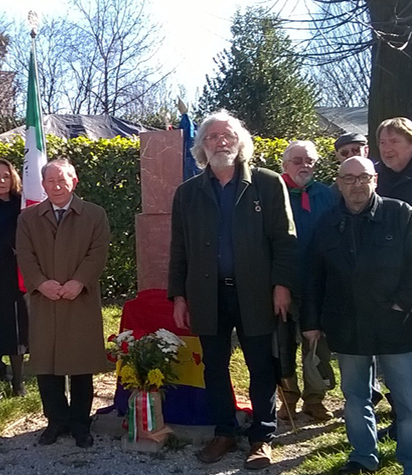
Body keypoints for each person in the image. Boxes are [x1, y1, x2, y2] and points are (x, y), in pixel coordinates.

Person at [168, 111, 298, 469]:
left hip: (256, 292)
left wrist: (282, 286)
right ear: (201, 147)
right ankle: (224, 432)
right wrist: (178, 294)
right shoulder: (187, 193)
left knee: (261, 365)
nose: (220, 142)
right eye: (211, 137)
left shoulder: (268, 184)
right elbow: (179, 247)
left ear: (240, 142)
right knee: (214, 367)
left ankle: (261, 436)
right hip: (207, 295)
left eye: (227, 136)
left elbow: (285, 241)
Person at [302, 157, 412, 475]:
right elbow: (313, 277)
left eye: (364, 177)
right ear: (338, 183)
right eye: (349, 179)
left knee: (406, 400)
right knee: (355, 396)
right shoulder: (327, 222)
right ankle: (363, 457)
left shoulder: (400, 214)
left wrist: (403, 303)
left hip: (396, 325)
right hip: (347, 324)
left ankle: (409, 460)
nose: (357, 185)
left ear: (375, 179)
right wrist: (310, 322)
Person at [16, 158, 110, 449]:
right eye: (50, 181)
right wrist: (40, 282)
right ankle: (55, 421)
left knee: (81, 364)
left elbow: (98, 252)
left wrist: (79, 281)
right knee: (47, 364)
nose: (56, 186)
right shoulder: (28, 217)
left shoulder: (95, 214)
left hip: (79, 298)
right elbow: (24, 253)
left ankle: (81, 423)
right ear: (42, 185)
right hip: (45, 299)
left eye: (62, 180)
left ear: (74, 181)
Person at [278, 141, 335, 422]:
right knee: (282, 343)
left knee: (317, 344)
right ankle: (287, 398)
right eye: (298, 160)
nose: (305, 166)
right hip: (283, 283)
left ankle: (315, 398)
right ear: (285, 164)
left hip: (319, 284)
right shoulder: (273, 192)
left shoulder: (326, 194)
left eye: (310, 161)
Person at [374, 116, 412, 442]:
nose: (387, 149)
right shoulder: (375, 179)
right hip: (386, 287)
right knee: (395, 362)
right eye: (383, 142)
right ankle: (402, 422)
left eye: (394, 141)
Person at [0, 159, 29, 399]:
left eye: (6, 176)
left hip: (15, 274)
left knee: (16, 330)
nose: (1, 181)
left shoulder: (22, 206)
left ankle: (18, 385)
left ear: (14, 179)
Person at [331, 133, 370, 199]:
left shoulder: (383, 180)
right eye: (344, 152)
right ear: (337, 156)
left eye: (356, 150)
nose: (350, 155)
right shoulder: (330, 194)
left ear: (366, 151)